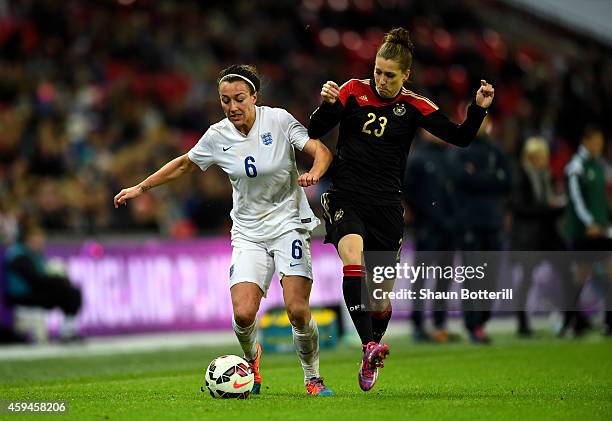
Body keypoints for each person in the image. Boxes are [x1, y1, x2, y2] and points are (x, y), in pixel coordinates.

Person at [114, 65, 335, 396]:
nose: (232, 107)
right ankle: (252, 362)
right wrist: (141, 188)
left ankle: (312, 378)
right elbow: (185, 164)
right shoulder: (218, 135)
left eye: (239, 99)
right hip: (248, 232)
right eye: (225, 100)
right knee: (244, 313)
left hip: (289, 224)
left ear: (254, 97)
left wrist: (316, 171)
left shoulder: (278, 120)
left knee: (297, 310)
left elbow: (320, 149)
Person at [308, 28, 494, 391]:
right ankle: (369, 345)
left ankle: (370, 350)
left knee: (378, 299)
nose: (380, 79)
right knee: (353, 259)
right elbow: (315, 129)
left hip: (387, 206)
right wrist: (327, 104)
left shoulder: (414, 106)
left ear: (405, 75)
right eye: (377, 71)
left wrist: (478, 109)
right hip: (347, 195)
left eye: (389, 75)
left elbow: (460, 137)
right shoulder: (351, 92)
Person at [449, 118, 512, 344]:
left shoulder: (496, 150)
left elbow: (508, 182)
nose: (482, 123)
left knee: (491, 276)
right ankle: (473, 323)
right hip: (469, 223)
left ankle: (482, 320)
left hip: (493, 222)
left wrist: (477, 178)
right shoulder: (460, 148)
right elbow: (458, 179)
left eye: (484, 119)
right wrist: (492, 178)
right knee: (473, 276)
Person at [509, 137, 570, 337]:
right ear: (530, 157)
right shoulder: (521, 177)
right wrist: (548, 208)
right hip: (529, 236)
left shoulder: (548, 176)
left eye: (544, 156)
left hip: (548, 233)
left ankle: (572, 317)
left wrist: (557, 206)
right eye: (538, 157)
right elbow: (519, 208)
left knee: (566, 272)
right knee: (526, 279)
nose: (542, 160)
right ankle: (522, 322)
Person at [403, 133, 457, 343]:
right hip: (427, 227)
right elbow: (408, 192)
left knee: (444, 278)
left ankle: (440, 323)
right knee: (421, 278)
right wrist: (421, 215)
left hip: (449, 228)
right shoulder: (417, 158)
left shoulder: (449, 156)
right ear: (425, 132)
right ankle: (417, 324)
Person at [562, 126, 612, 337]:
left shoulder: (601, 165)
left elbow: (603, 199)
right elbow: (576, 200)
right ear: (586, 141)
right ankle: (571, 321)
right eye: (595, 143)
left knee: (610, 274)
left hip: (601, 230)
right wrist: (589, 222)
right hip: (583, 232)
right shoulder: (576, 166)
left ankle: (609, 322)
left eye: (601, 143)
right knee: (580, 278)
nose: (598, 147)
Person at [3, 223, 82, 341]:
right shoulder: (18, 256)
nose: (40, 244)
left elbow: (40, 278)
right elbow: (34, 280)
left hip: (31, 292)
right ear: (27, 240)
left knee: (70, 292)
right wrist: (57, 280)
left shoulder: (34, 254)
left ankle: (68, 329)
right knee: (66, 290)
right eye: (36, 241)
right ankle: (66, 331)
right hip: (20, 295)